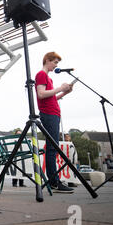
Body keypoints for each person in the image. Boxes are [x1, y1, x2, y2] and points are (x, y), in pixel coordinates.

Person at [35, 51, 74, 193]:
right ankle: (54, 181)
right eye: (55, 62)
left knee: (53, 147)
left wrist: (64, 93)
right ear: (47, 60)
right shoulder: (41, 74)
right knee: (52, 148)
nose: (56, 65)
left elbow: (49, 98)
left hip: (53, 113)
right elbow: (41, 94)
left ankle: (54, 180)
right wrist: (60, 88)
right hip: (49, 114)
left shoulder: (47, 77)